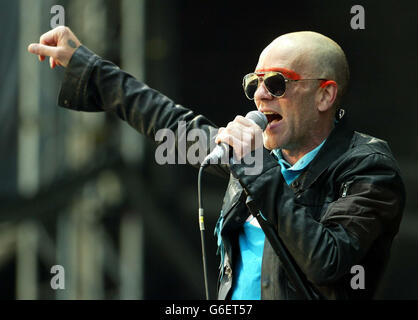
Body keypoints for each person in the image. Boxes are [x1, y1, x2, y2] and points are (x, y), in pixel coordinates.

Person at [28, 26, 405, 300]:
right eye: (253, 83)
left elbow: (328, 260)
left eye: (277, 83)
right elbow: (172, 125)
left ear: (325, 95)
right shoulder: (255, 159)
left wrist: (256, 166)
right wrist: (91, 68)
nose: (260, 96)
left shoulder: (367, 167)